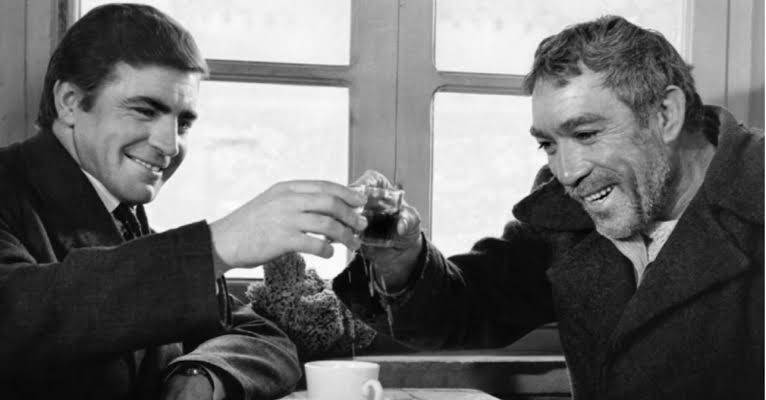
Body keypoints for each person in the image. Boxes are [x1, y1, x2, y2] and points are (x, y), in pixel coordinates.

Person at [333, 15, 763, 400]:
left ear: (665, 114)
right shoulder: (567, 212)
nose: (567, 172)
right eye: (548, 144)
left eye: (587, 134)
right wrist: (400, 258)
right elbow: (470, 308)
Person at [0, 4, 367, 400]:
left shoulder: (128, 223)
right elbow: (18, 314)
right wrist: (215, 246)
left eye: (184, 122)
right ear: (70, 101)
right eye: (144, 111)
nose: (170, 144)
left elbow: (261, 337)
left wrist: (203, 372)